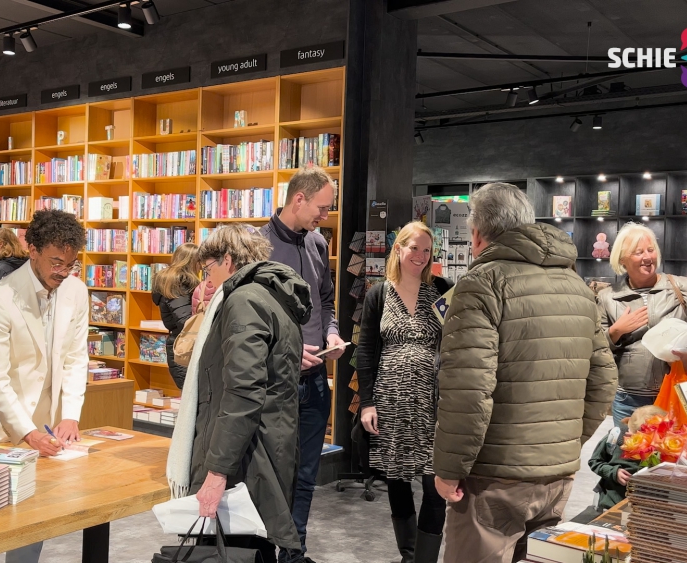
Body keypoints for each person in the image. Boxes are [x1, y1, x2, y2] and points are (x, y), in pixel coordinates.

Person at [433, 182, 618, 563]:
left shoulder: (481, 283)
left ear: (478, 233)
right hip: (557, 474)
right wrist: (563, 442)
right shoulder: (577, 286)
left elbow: (469, 389)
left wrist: (450, 468)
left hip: (493, 476)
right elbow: (603, 381)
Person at [165, 225, 311, 563]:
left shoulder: (244, 300)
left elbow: (243, 393)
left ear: (227, 260)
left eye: (208, 268)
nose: (208, 278)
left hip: (246, 460)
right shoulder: (271, 295)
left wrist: (216, 472)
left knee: (233, 551)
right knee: (252, 550)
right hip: (264, 448)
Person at [0, 209, 89, 563]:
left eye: (70, 264)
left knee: (32, 524)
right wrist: (24, 432)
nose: (63, 271)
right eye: (56, 262)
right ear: (33, 250)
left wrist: (69, 414)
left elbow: (75, 357)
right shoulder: (1, 297)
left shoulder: (76, 290)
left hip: (47, 427)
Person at [259, 167, 343, 563]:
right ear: (299, 199)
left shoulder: (318, 243)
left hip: (314, 380)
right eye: (323, 208)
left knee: (306, 475)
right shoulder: (256, 246)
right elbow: (248, 321)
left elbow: (326, 301)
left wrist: (331, 333)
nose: (326, 216)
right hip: (273, 382)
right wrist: (287, 351)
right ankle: (260, 553)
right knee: (269, 474)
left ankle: (293, 552)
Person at [356, 221, 453, 563]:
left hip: (433, 401)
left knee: (433, 483)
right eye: (415, 248)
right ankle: (409, 556)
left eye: (427, 250)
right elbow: (365, 352)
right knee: (397, 481)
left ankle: (425, 559)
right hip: (390, 399)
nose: (421, 256)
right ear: (399, 249)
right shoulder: (378, 294)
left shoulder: (442, 288)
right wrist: (367, 403)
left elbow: (456, 340)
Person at [597, 223, 687, 427]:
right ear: (622, 259)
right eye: (638, 252)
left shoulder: (683, 288)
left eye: (651, 250)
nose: (647, 257)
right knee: (629, 456)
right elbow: (594, 349)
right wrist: (615, 331)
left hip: (678, 392)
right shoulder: (608, 297)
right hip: (629, 400)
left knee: (677, 455)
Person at [588, 405, 665, 511]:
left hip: (643, 509)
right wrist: (614, 472)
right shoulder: (614, 438)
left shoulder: (661, 446)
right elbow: (595, 462)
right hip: (611, 504)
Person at [151, 243, 200, 389]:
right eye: (199, 261)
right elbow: (185, 321)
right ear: (192, 261)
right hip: (184, 348)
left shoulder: (171, 281)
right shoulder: (178, 283)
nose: (202, 266)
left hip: (180, 346)